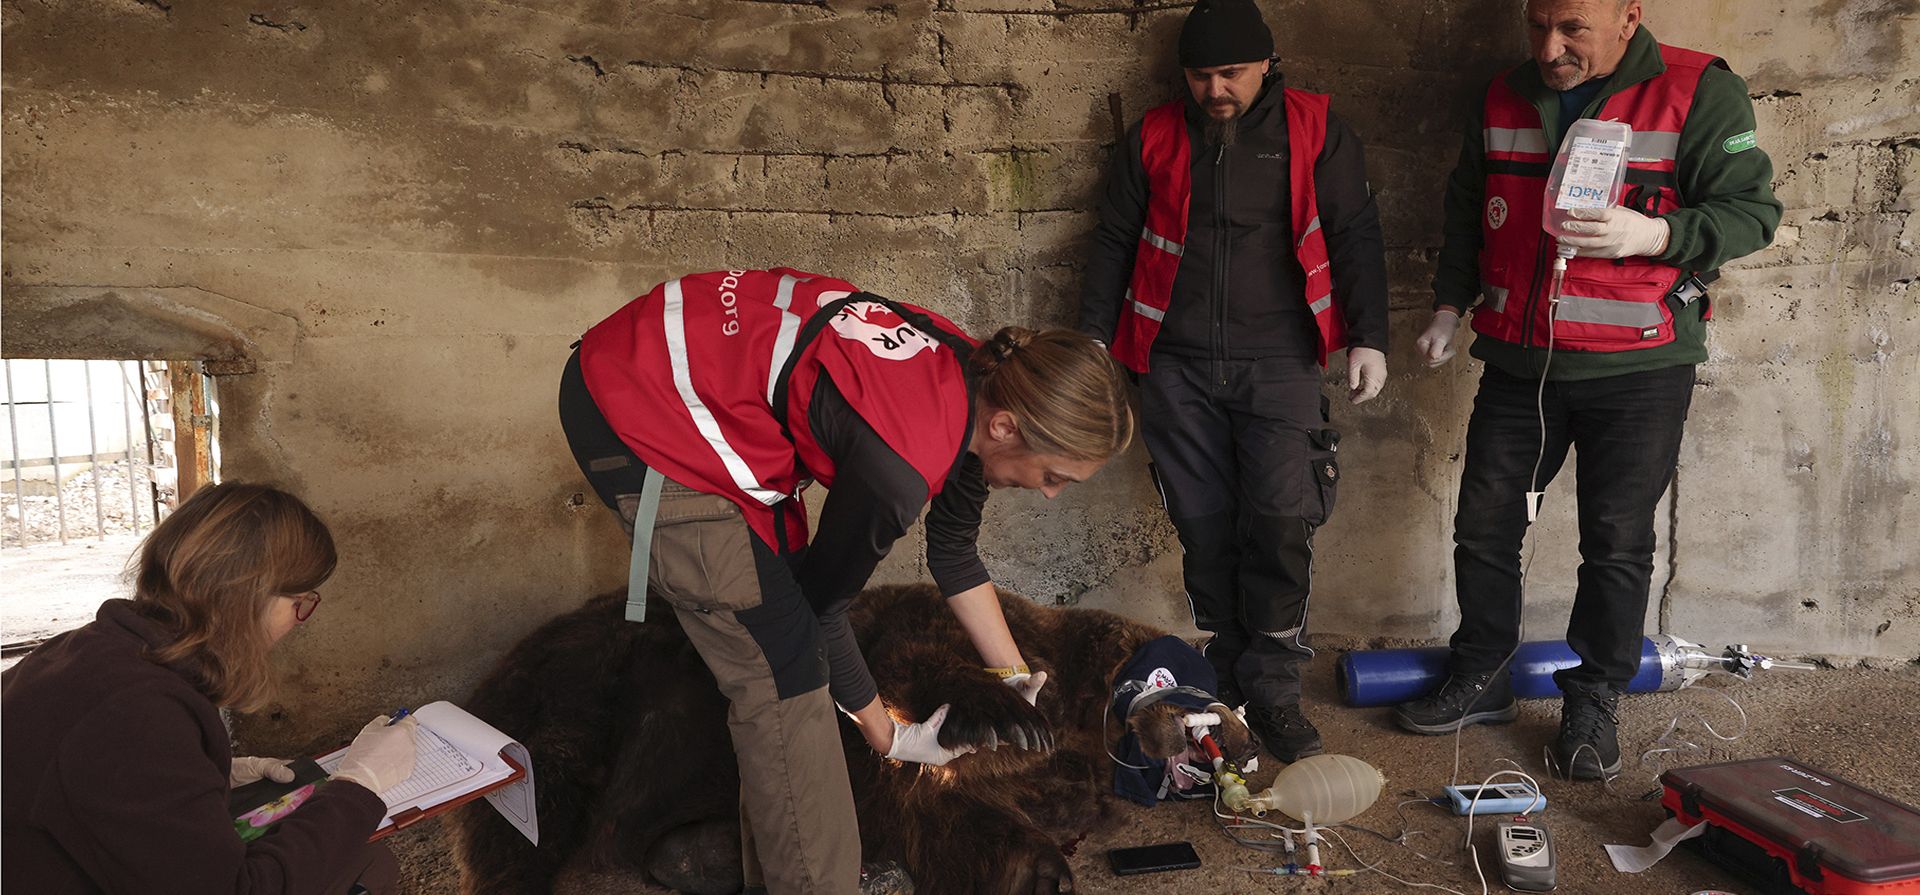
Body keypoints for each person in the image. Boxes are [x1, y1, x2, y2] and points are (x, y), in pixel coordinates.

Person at [561, 268, 1134, 894]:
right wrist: (891, 735)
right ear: (1007, 428)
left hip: (710, 389)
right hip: (638, 404)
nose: (1050, 496)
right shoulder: (897, 468)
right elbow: (822, 614)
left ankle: (786, 871)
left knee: (785, 656)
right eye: (1055, 476)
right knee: (783, 674)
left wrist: (1012, 677)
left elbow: (953, 552)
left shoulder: (978, 376)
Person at [1395, 0, 1780, 779]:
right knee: (1485, 523)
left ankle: (1595, 692)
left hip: (1637, 362)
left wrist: (1657, 235)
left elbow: (1752, 212)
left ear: (1629, 15)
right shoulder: (1505, 93)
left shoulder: (1697, 89)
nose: (1550, 46)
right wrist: (1448, 304)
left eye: (1572, 28)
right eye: (1536, 24)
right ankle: (1484, 674)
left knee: (1616, 541)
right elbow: (1471, 206)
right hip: (1519, 357)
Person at [1077, 0, 1389, 762]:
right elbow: (1114, 236)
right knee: (1204, 523)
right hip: (1174, 363)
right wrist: (1091, 341)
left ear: (1266, 64)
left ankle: (1276, 691)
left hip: (1281, 360)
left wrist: (1369, 337)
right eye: (1200, 75)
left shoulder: (1315, 130)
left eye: (1230, 74)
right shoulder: (1154, 135)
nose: (1214, 89)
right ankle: (1227, 678)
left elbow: (1354, 233)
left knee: (1282, 521)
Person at [2, 482, 420, 894]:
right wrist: (359, 785)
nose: (297, 621)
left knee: (364, 860)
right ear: (249, 598)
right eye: (300, 602)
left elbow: (104, 782)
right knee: (367, 868)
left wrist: (207, 773)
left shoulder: (89, 649)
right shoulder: (136, 716)